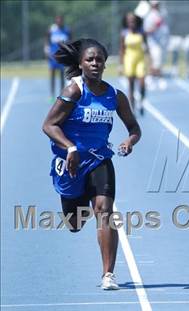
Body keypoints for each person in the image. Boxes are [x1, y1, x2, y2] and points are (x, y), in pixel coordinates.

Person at [42, 38, 141, 289]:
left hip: (100, 159)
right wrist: (70, 147)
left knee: (105, 211)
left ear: (105, 64)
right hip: (72, 162)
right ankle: (82, 197)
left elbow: (134, 128)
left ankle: (108, 274)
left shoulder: (115, 96)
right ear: (81, 64)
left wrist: (129, 141)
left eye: (99, 60)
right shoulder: (73, 91)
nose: (95, 63)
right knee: (75, 224)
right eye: (90, 59)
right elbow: (48, 125)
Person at [120, 12, 148, 116]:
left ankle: (141, 102)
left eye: (133, 20)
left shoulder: (142, 32)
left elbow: (147, 47)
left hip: (140, 60)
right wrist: (121, 65)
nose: (131, 22)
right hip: (129, 61)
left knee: (142, 84)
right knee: (131, 86)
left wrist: (150, 61)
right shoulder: (124, 33)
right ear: (127, 22)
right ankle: (133, 109)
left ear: (136, 21)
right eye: (129, 20)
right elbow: (122, 49)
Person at [143, 0, 170, 90]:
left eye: (157, 4)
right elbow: (146, 31)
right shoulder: (150, 16)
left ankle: (154, 78)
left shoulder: (161, 14)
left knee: (159, 62)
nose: (156, 6)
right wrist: (155, 26)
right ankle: (152, 79)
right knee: (156, 62)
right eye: (155, 4)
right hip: (154, 43)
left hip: (162, 43)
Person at [44, 15, 71, 99]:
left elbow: (71, 41)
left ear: (62, 21)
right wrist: (46, 49)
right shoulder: (51, 30)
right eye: (57, 20)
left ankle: (62, 94)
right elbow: (46, 40)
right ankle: (52, 95)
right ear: (55, 21)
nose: (59, 21)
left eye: (60, 20)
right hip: (53, 56)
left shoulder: (67, 30)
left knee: (62, 76)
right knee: (52, 75)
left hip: (62, 56)